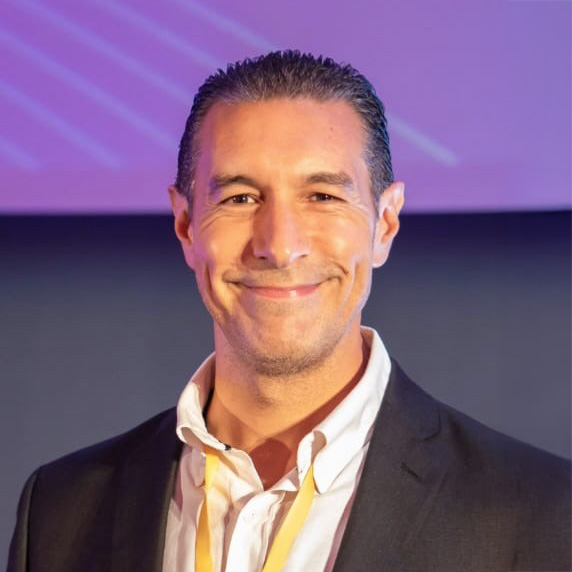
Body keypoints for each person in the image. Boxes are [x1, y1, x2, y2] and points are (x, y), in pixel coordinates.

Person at [6, 51, 571, 572]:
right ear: (185, 225)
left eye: (322, 196)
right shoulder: (61, 510)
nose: (279, 245)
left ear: (385, 224)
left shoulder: (540, 513)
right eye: (239, 198)